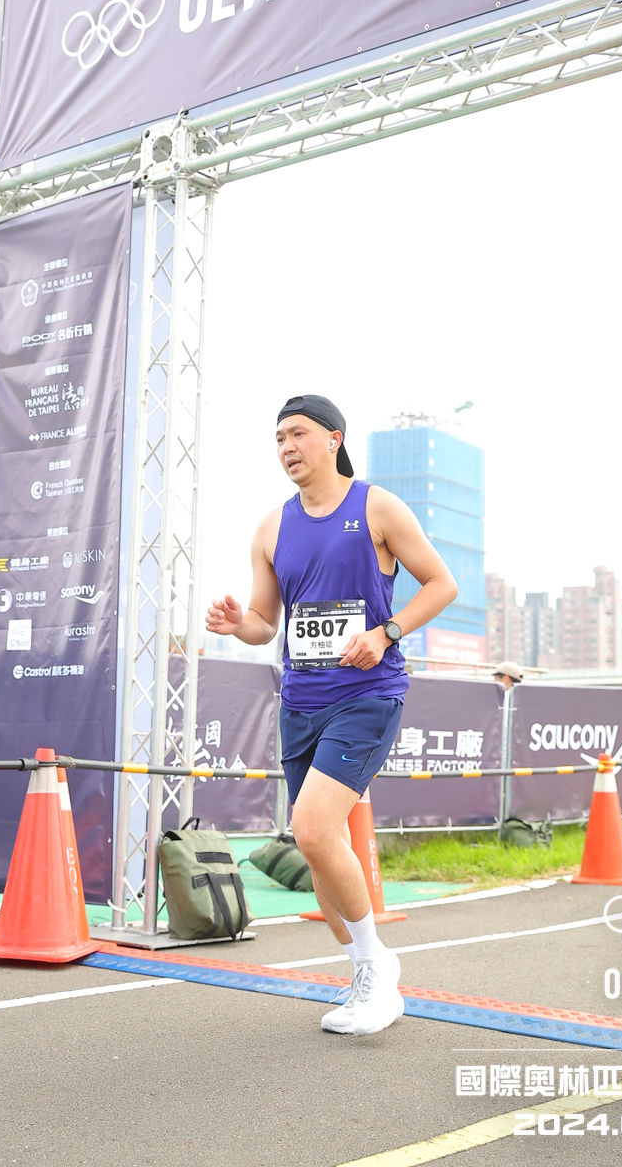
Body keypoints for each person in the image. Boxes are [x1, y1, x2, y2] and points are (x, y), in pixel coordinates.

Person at [206, 394, 457, 1035]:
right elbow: (265, 623)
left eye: (298, 434)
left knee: (313, 829)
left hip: (367, 693)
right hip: (300, 701)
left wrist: (386, 632)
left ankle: (377, 971)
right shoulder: (271, 528)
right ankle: (363, 969)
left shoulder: (375, 507)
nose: (287, 447)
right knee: (319, 847)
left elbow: (441, 583)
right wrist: (239, 625)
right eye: (279, 438)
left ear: (334, 439)